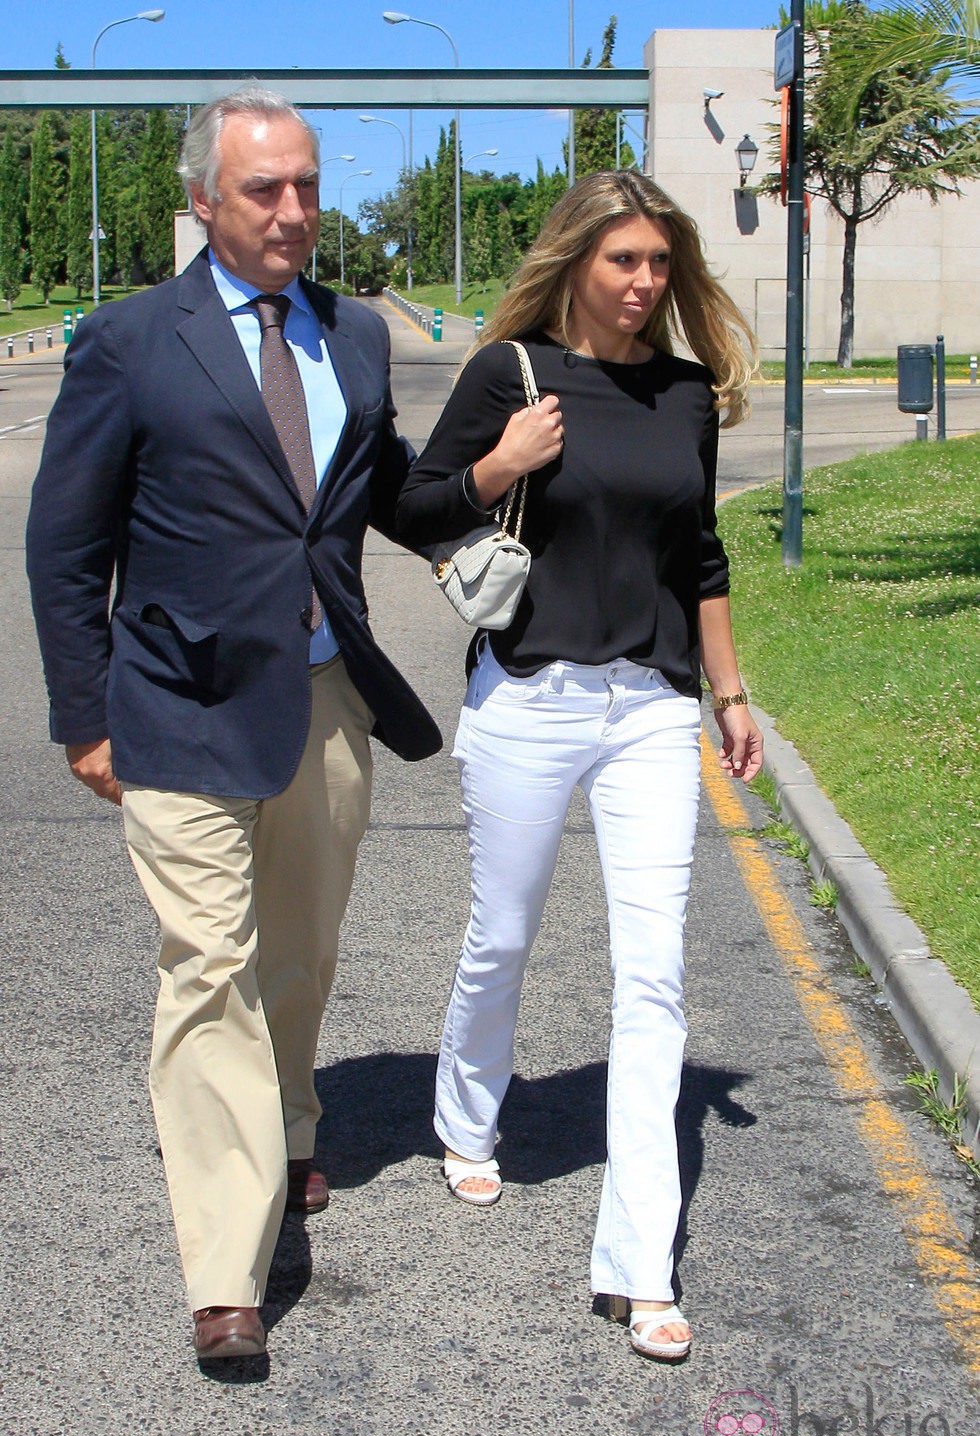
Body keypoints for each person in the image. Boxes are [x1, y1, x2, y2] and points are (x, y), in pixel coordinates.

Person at [25, 86, 440, 1363]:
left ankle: (296, 1126)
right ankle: (226, 1266)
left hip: (321, 697)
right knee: (208, 967)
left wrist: (502, 481)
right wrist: (84, 717)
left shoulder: (353, 335)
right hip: (177, 705)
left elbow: (377, 495)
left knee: (299, 954)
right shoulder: (131, 340)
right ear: (203, 200)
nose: (295, 212)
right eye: (265, 190)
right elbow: (65, 540)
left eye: (308, 186)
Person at [395, 170, 763, 1363]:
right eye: (623, 262)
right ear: (576, 266)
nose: (645, 283)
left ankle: (637, 1266)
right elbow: (410, 509)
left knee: (650, 973)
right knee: (501, 933)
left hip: (648, 708)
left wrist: (729, 691)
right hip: (528, 697)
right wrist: (500, 464)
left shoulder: (683, 393)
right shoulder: (508, 375)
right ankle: (465, 1120)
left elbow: (697, 553)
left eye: (660, 263)